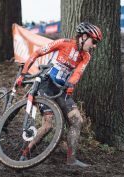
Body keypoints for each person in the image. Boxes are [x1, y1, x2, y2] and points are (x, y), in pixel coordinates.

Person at [15, 22, 103, 167]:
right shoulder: (63, 43)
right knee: (48, 124)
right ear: (84, 37)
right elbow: (37, 53)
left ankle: (71, 159)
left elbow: (78, 73)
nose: (94, 46)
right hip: (46, 83)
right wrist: (23, 73)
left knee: (77, 120)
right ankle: (25, 153)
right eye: (93, 42)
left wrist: (71, 84)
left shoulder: (86, 56)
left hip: (61, 88)